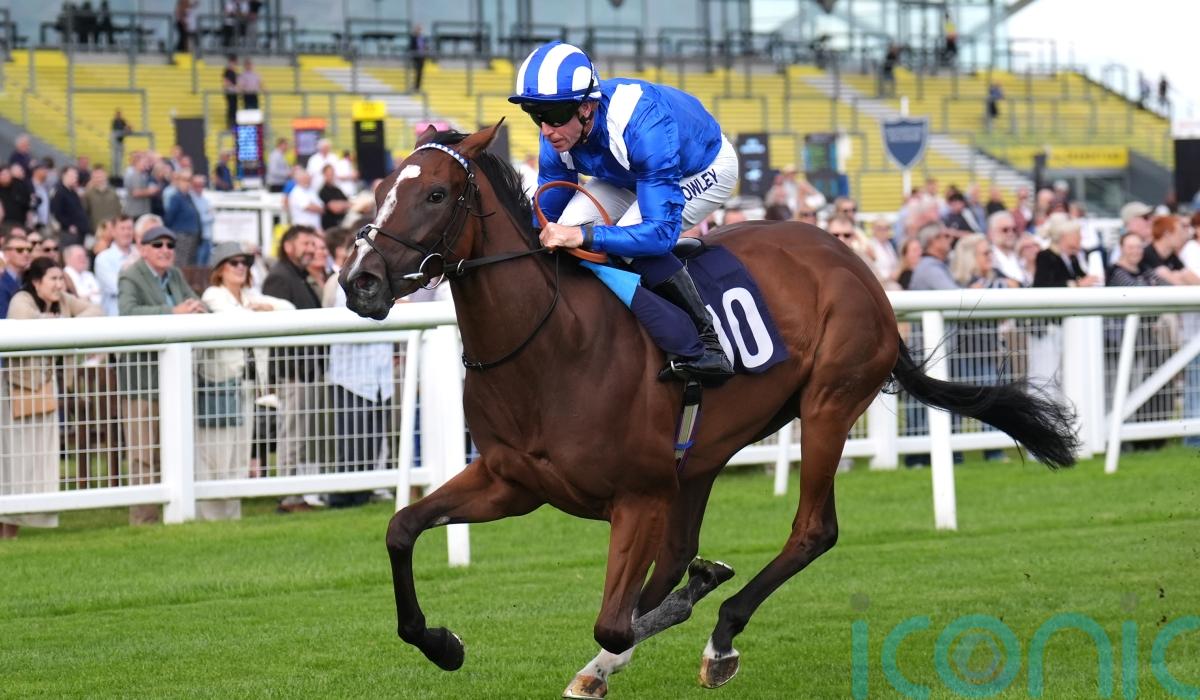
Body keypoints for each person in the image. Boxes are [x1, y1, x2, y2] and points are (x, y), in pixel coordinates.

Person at [509, 41, 737, 386]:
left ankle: (708, 344)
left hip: (703, 167)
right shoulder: (557, 132)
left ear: (586, 107)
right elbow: (548, 210)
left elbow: (658, 234)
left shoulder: (643, 123)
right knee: (564, 229)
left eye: (554, 115)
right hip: (629, 172)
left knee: (624, 238)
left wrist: (585, 235)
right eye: (535, 114)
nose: (546, 129)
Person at [1, 257, 102, 540]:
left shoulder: (63, 302)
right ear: (36, 282)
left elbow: (96, 310)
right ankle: (7, 531)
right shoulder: (22, 299)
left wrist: (64, 323)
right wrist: (54, 322)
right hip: (17, 393)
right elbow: (26, 323)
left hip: (47, 393)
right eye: (53, 279)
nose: (59, 285)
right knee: (13, 463)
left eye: (61, 279)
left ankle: (16, 528)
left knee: (39, 462)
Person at [117, 225, 207, 525]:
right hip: (142, 381)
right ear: (143, 249)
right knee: (143, 454)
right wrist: (173, 312)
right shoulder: (130, 276)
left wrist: (197, 307)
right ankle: (144, 520)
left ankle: (175, 515)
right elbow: (128, 313)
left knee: (172, 451)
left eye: (170, 244)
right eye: (158, 245)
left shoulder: (175, 275)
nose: (165, 250)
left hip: (175, 381)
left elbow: (195, 302)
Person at [196, 242, 293, 521]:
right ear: (220, 269)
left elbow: (289, 308)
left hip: (248, 385)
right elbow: (235, 319)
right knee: (218, 451)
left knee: (240, 452)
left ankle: (232, 516)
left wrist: (265, 308)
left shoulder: (251, 295)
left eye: (245, 263)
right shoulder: (213, 294)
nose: (241, 267)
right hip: (219, 384)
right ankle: (210, 517)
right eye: (234, 262)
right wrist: (262, 312)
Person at [261, 225, 326, 512]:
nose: (311, 249)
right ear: (288, 246)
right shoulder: (279, 277)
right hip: (293, 372)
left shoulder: (298, 276)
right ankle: (288, 495)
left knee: (301, 435)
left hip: (306, 371)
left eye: (313, 244)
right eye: (305, 243)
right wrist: (293, 370)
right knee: (292, 434)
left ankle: (295, 493)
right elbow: (276, 330)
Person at [93, 215, 135, 315]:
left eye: (129, 228)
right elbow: (117, 288)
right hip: (115, 315)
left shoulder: (141, 253)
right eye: (122, 228)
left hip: (141, 313)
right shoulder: (103, 258)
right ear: (113, 232)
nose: (126, 232)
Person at [164, 169, 202, 265]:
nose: (187, 183)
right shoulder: (175, 198)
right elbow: (169, 218)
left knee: (191, 264)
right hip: (181, 236)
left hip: (192, 236)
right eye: (185, 180)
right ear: (178, 181)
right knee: (181, 263)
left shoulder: (189, 197)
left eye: (190, 180)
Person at [908, 222, 960, 291]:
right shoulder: (930, 268)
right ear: (933, 240)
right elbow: (954, 294)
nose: (950, 239)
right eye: (946, 236)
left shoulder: (931, 264)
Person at [50, 167, 91, 248]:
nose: (75, 179)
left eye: (76, 176)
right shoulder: (60, 192)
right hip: (69, 233)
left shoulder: (72, 192)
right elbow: (57, 213)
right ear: (64, 176)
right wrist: (68, 226)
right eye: (72, 176)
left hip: (80, 231)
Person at [986, 210, 1027, 286]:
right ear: (991, 233)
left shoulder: (1021, 255)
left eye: (1014, 229)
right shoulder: (987, 257)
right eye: (1005, 230)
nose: (1010, 233)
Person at [0, 231, 32, 319]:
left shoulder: (29, 279)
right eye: (19, 250)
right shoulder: (1, 283)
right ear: (6, 253)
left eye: (29, 250)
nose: (26, 253)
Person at [82, 166, 122, 235]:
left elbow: (119, 211)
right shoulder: (87, 194)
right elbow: (84, 213)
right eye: (96, 177)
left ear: (106, 176)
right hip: (95, 232)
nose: (99, 179)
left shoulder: (113, 193)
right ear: (92, 178)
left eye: (100, 176)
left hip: (113, 231)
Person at [409, 24, 429, 92]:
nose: (418, 31)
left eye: (419, 29)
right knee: (415, 71)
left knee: (420, 72)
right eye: (417, 29)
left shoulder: (423, 38)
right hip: (415, 57)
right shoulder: (413, 38)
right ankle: (413, 85)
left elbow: (425, 46)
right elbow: (411, 47)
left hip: (421, 57)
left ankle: (417, 86)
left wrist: (426, 51)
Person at [222, 55, 239, 130]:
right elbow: (226, 82)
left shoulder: (234, 72)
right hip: (230, 92)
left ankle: (234, 124)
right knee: (231, 108)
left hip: (234, 93)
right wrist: (234, 87)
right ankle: (230, 125)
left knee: (234, 108)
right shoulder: (227, 71)